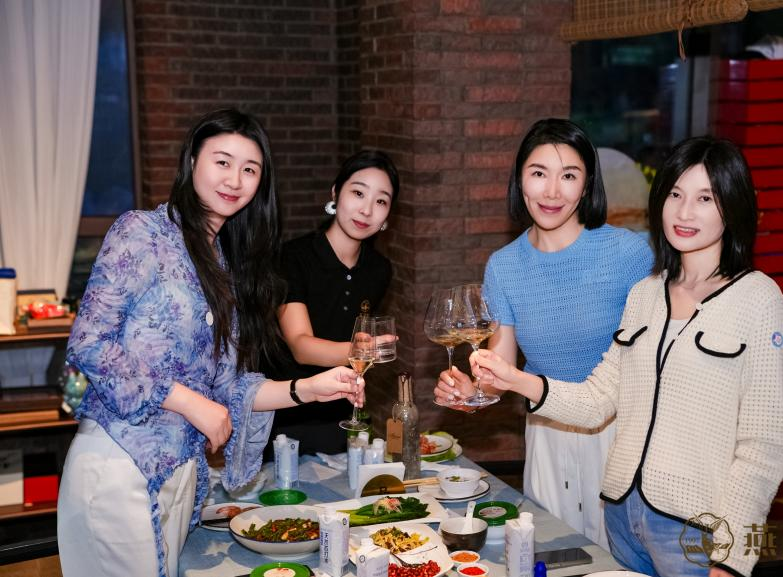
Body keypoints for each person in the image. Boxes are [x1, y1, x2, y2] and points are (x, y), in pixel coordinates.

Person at [467, 136, 783, 577]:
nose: (684, 212)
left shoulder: (757, 298)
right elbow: (598, 398)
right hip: (621, 516)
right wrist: (513, 378)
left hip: (694, 529)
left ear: (731, 207)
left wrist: (732, 558)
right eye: (675, 194)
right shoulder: (646, 293)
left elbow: (766, 446)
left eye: (705, 198)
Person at [56, 109, 362, 577]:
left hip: (180, 476)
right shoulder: (142, 232)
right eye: (222, 161)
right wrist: (187, 401)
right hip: (119, 464)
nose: (235, 180)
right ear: (192, 161)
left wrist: (309, 389)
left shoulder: (220, 262)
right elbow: (89, 343)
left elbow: (228, 387)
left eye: (250, 169)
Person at [435, 118, 653, 548]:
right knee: (552, 554)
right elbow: (500, 370)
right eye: (539, 173)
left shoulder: (629, 254)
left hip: (619, 433)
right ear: (520, 180)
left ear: (587, 185)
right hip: (546, 434)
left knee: (620, 561)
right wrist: (472, 391)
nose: (552, 192)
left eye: (568, 176)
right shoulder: (504, 265)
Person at [264, 149, 399, 454]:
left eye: (381, 201)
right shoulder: (291, 257)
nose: (367, 210)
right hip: (285, 414)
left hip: (340, 414)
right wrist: (360, 352)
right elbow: (301, 346)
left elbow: (355, 334)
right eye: (358, 193)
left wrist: (359, 353)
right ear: (336, 193)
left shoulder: (379, 269)